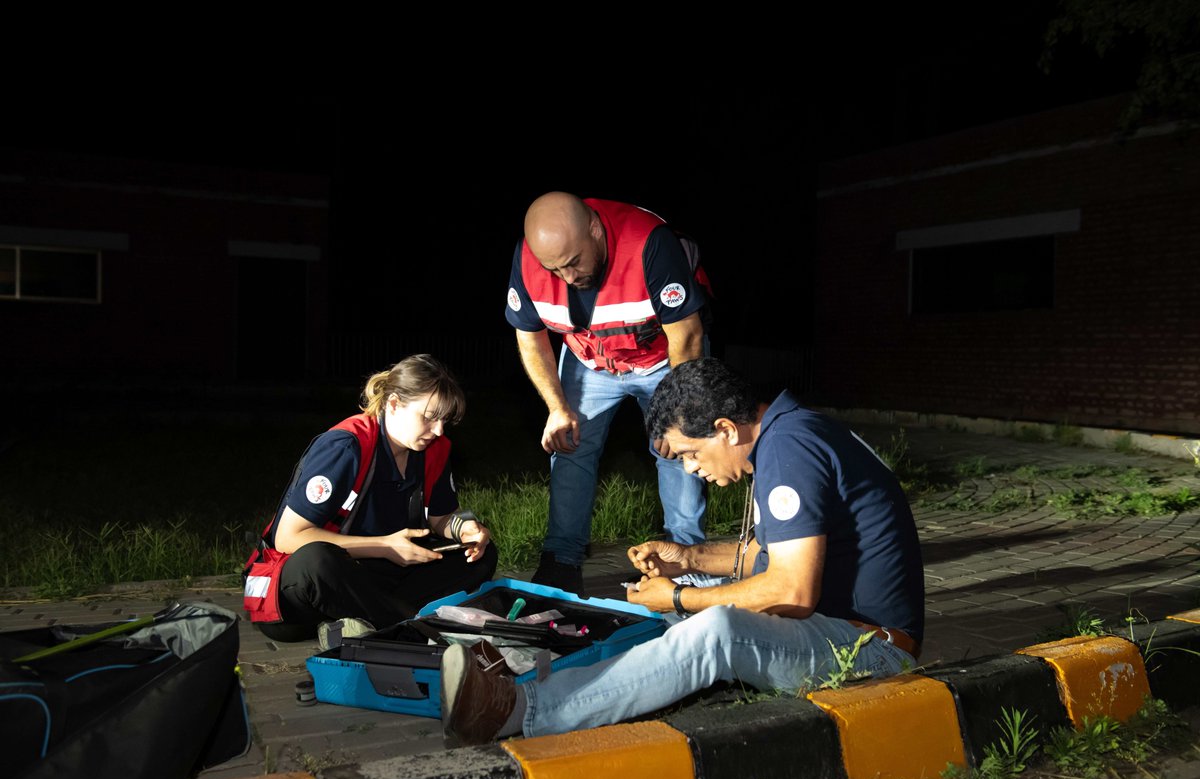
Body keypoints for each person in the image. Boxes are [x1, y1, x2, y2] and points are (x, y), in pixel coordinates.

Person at [439, 357, 925, 745]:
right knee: (692, 592)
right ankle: (537, 677)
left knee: (717, 627)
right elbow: (763, 556)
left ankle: (520, 711)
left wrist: (676, 599)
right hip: (836, 629)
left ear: (725, 429)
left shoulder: (789, 448)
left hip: (872, 650)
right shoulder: (788, 434)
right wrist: (685, 561)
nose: (691, 469)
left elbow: (792, 590)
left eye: (690, 453)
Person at [505, 191, 713, 594]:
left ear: (596, 231)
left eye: (573, 263)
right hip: (589, 359)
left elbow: (687, 337)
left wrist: (680, 418)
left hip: (661, 358)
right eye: (555, 269)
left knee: (677, 449)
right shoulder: (531, 259)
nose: (566, 277)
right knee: (571, 447)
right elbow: (530, 339)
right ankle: (561, 561)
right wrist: (556, 407)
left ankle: (686, 559)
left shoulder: (649, 243)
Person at [242, 354, 497, 646]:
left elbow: (441, 518)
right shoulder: (345, 447)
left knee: (481, 555)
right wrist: (383, 547)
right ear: (393, 404)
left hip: (372, 582)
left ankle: (367, 624)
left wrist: (465, 530)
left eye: (444, 420)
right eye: (429, 417)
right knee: (319, 559)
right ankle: (413, 630)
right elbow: (288, 537)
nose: (438, 430)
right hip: (301, 594)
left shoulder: (434, 449)